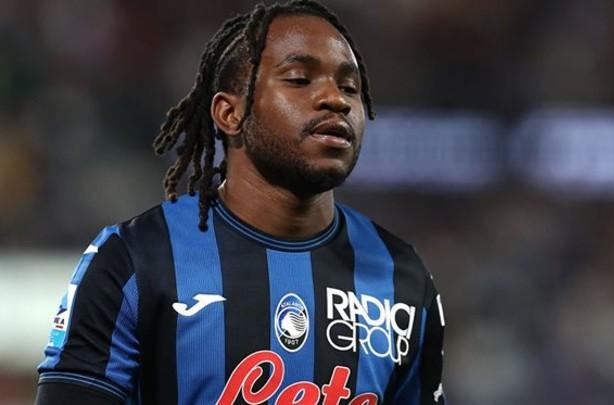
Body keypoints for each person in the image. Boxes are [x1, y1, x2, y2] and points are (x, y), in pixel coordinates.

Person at [35, 1, 446, 404]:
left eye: (350, 87)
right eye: (299, 79)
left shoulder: (401, 276)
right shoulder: (135, 259)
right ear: (230, 113)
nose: (335, 99)